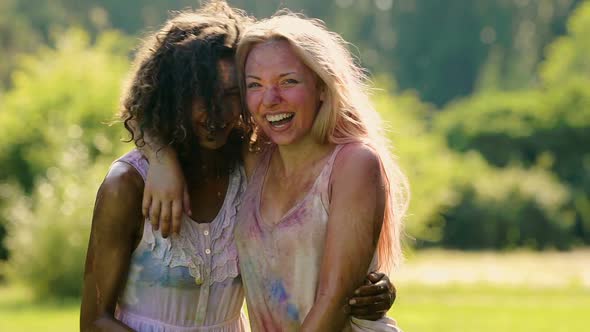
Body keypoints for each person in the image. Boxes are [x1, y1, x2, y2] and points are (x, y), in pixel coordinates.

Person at [80, 2, 395, 331]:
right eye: (199, 95)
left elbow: (322, 277)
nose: (216, 113)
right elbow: (93, 322)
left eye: (231, 94)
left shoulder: (258, 165)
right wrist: (160, 157)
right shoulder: (133, 183)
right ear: (171, 95)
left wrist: (364, 285)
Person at [232, 13, 409, 331]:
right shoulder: (252, 159)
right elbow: (169, 114)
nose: (271, 99)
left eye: (288, 81)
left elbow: (335, 300)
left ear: (323, 88)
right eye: (255, 85)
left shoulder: (353, 164)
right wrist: (162, 163)